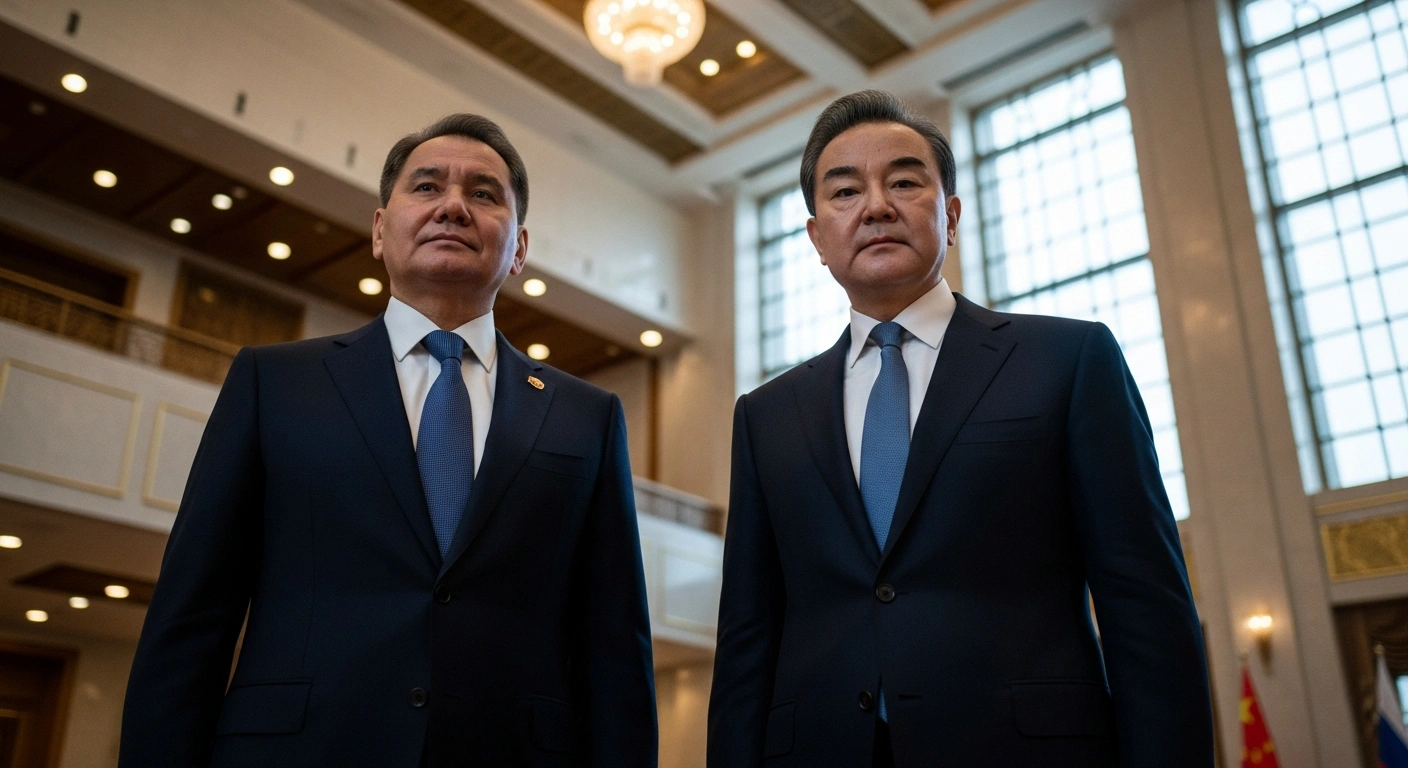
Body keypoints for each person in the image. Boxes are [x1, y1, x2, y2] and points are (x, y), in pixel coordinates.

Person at [120, 114, 657, 768]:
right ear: (380, 230)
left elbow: (615, 649)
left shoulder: (587, 415)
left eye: (484, 195)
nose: (454, 206)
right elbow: (191, 619)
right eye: (426, 187)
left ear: (518, 249)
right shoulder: (275, 383)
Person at [708, 91, 1212, 767]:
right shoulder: (766, 414)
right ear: (817, 237)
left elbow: (1144, 605)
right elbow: (748, 637)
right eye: (846, 191)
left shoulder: (1068, 361)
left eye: (905, 182)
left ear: (949, 216)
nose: (877, 206)